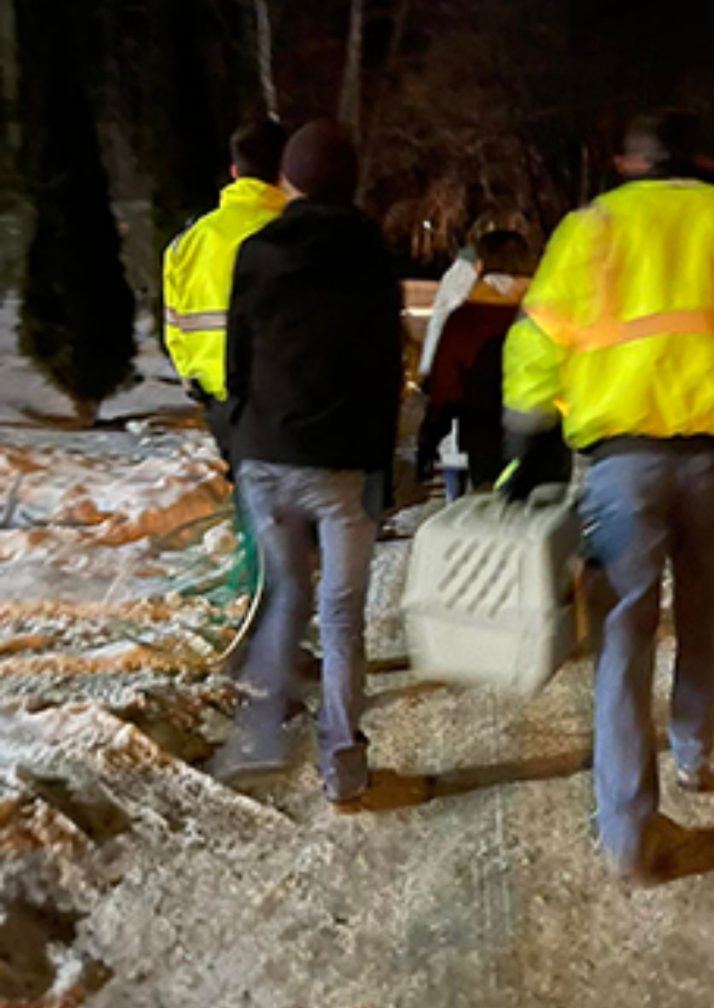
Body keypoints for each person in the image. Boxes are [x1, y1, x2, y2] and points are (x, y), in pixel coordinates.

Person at [501, 110, 714, 878]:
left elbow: (537, 343)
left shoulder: (596, 228)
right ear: (704, 159)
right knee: (706, 614)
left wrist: (527, 446)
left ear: (629, 159)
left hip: (625, 465)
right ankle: (695, 754)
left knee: (624, 636)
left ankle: (627, 831)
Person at [213, 120, 404, 804]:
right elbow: (387, 366)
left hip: (264, 453)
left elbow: (238, 355)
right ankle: (343, 763)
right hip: (339, 466)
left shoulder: (258, 250)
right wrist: (384, 465)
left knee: (288, 596)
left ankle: (261, 734)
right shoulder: (373, 256)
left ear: (288, 180)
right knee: (342, 613)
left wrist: (240, 434)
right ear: (351, 181)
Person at [163, 119, 288, 465]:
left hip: (219, 400)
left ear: (235, 171)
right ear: (285, 172)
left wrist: (195, 380)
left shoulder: (188, 242)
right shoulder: (294, 234)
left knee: (250, 497)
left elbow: (175, 327)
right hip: (285, 401)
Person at [417, 229, 534, 493]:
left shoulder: (466, 320)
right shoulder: (548, 313)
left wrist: (430, 436)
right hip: (542, 436)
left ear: (481, 264)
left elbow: (447, 387)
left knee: (490, 515)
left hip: (484, 436)